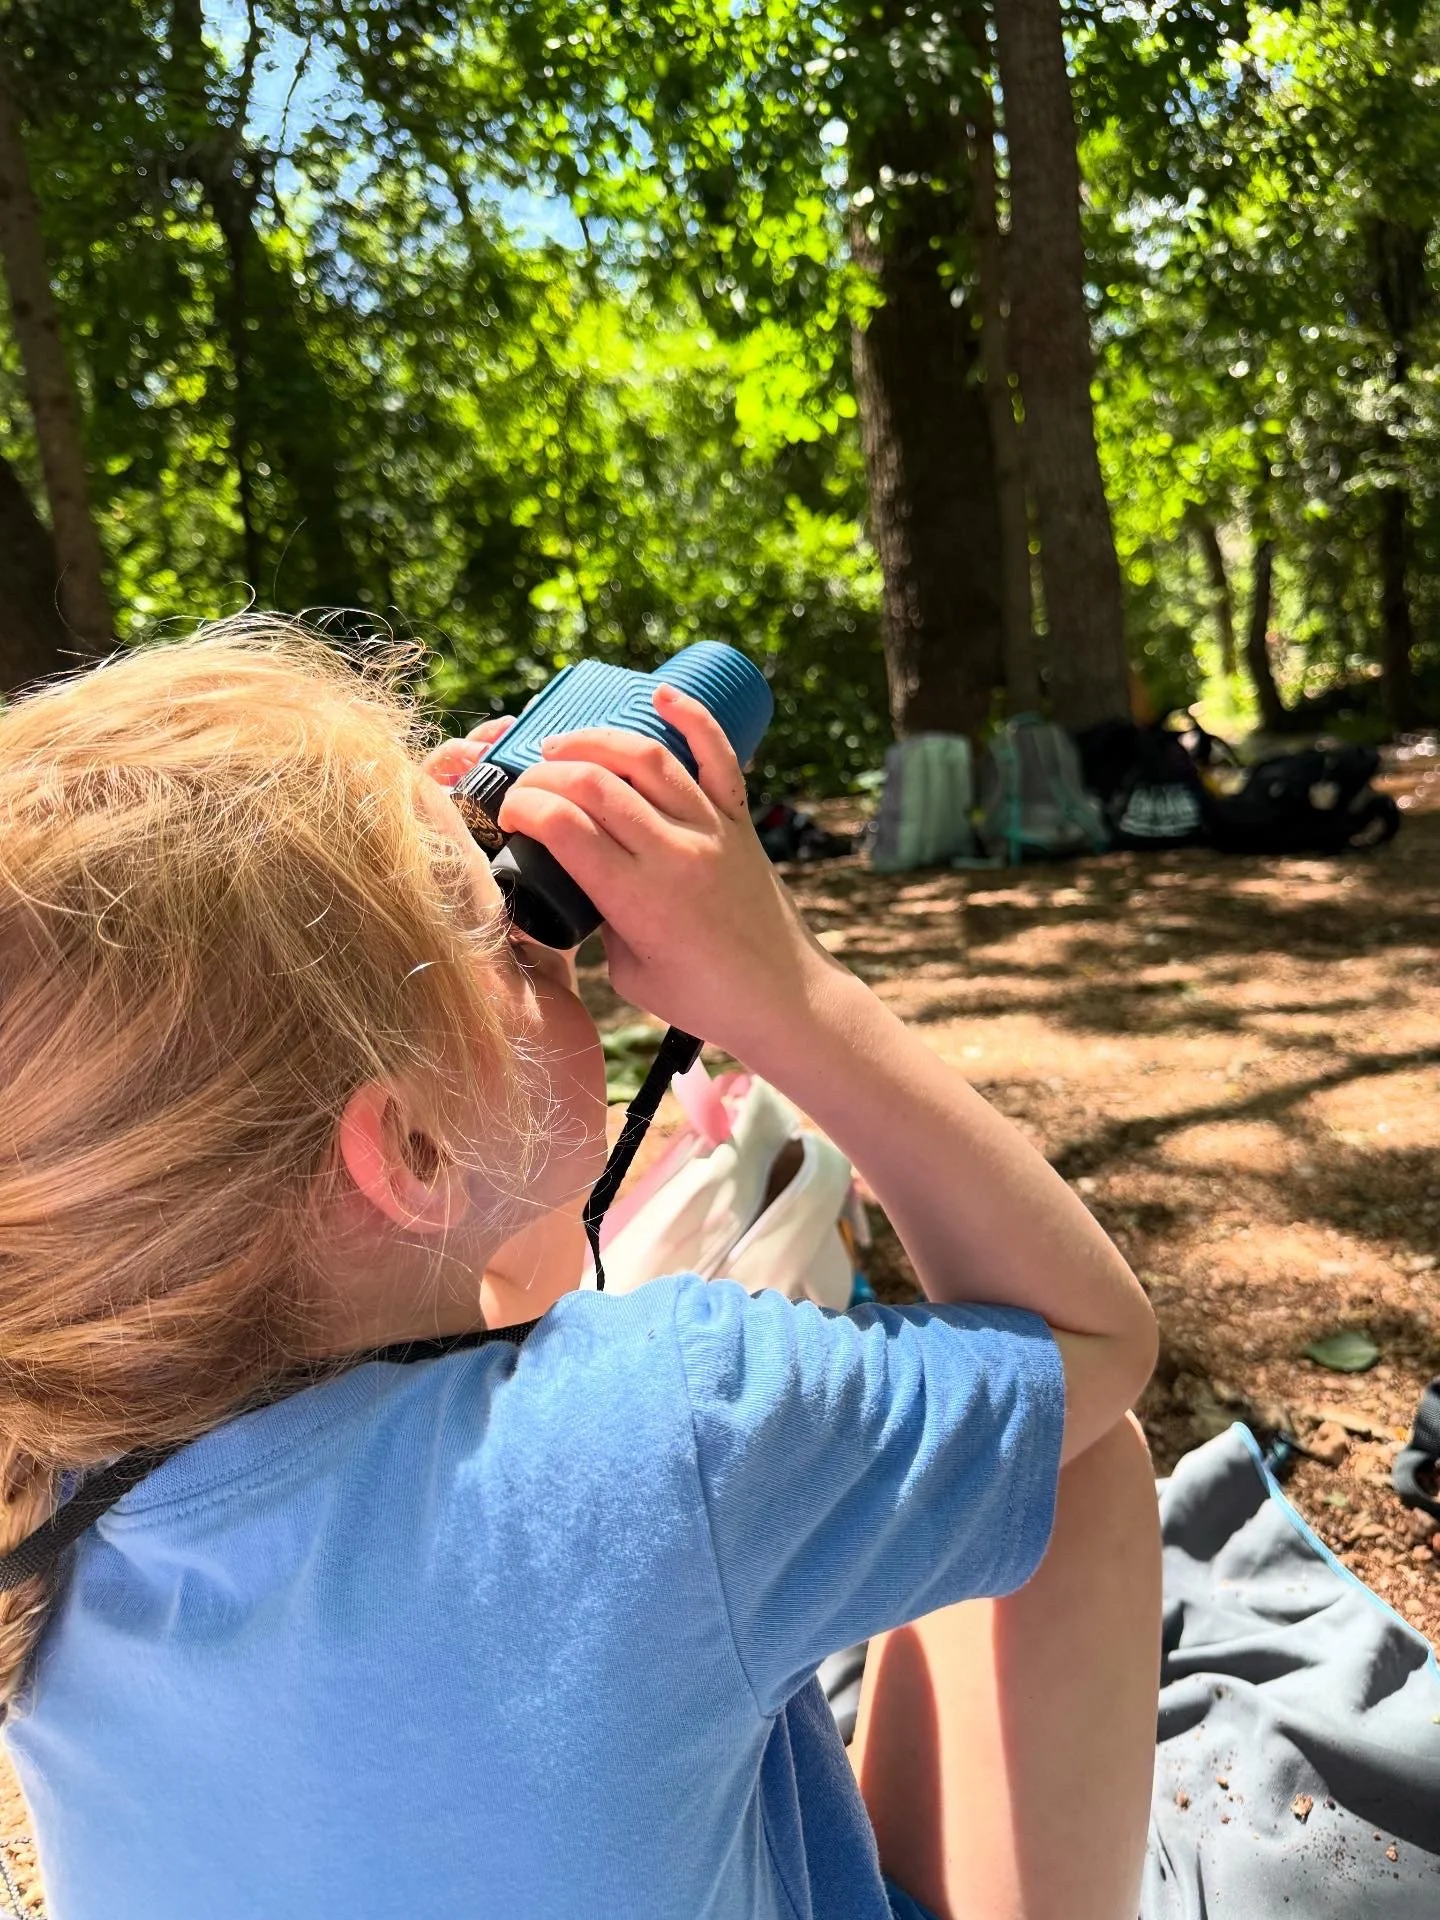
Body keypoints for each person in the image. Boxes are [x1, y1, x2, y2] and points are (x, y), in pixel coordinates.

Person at [0, 617, 1160, 1920]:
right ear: (413, 1155)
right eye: (504, 937)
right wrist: (783, 989)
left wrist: (442, 926)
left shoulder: (45, 1484)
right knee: (1069, 1465)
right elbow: (1095, 1343)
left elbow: (490, 1342)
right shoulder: (678, 1425)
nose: (534, 937)